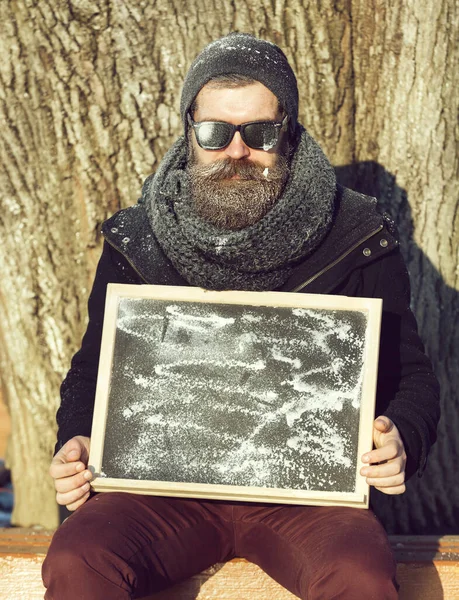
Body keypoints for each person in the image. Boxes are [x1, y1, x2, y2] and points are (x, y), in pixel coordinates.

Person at [42, 33, 440, 599]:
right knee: (80, 559)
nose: (235, 151)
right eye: (215, 132)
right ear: (190, 132)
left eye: (259, 132)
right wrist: (76, 441)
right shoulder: (138, 239)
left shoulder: (358, 235)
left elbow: (413, 377)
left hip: (306, 498)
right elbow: (93, 369)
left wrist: (401, 438)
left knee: (359, 577)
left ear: (288, 132)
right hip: (157, 493)